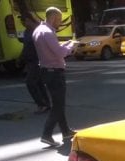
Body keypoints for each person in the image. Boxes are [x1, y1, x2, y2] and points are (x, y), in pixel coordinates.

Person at [33, 7, 78, 146]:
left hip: (47, 71)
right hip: (54, 72)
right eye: (58, 20)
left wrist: (66, 43)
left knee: (58, 103)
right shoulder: (47, 33)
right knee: (58, 106)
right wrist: (72, 46)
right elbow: (60, 53)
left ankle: (65, 131)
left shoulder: (38, 30)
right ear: (53, 17)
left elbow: (52, 49)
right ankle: (46, 134)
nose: (59, 23)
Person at [21, 15, 49, 115]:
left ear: (30, 20)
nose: (23, 22)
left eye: (25, 20)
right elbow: (26, 46)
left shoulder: (38, 31)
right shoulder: (27, 32)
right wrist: (22, 58)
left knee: (30, 83)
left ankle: (42, 104)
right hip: (29, 61)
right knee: (39, 83)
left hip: (37, 61)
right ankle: (46, 104)